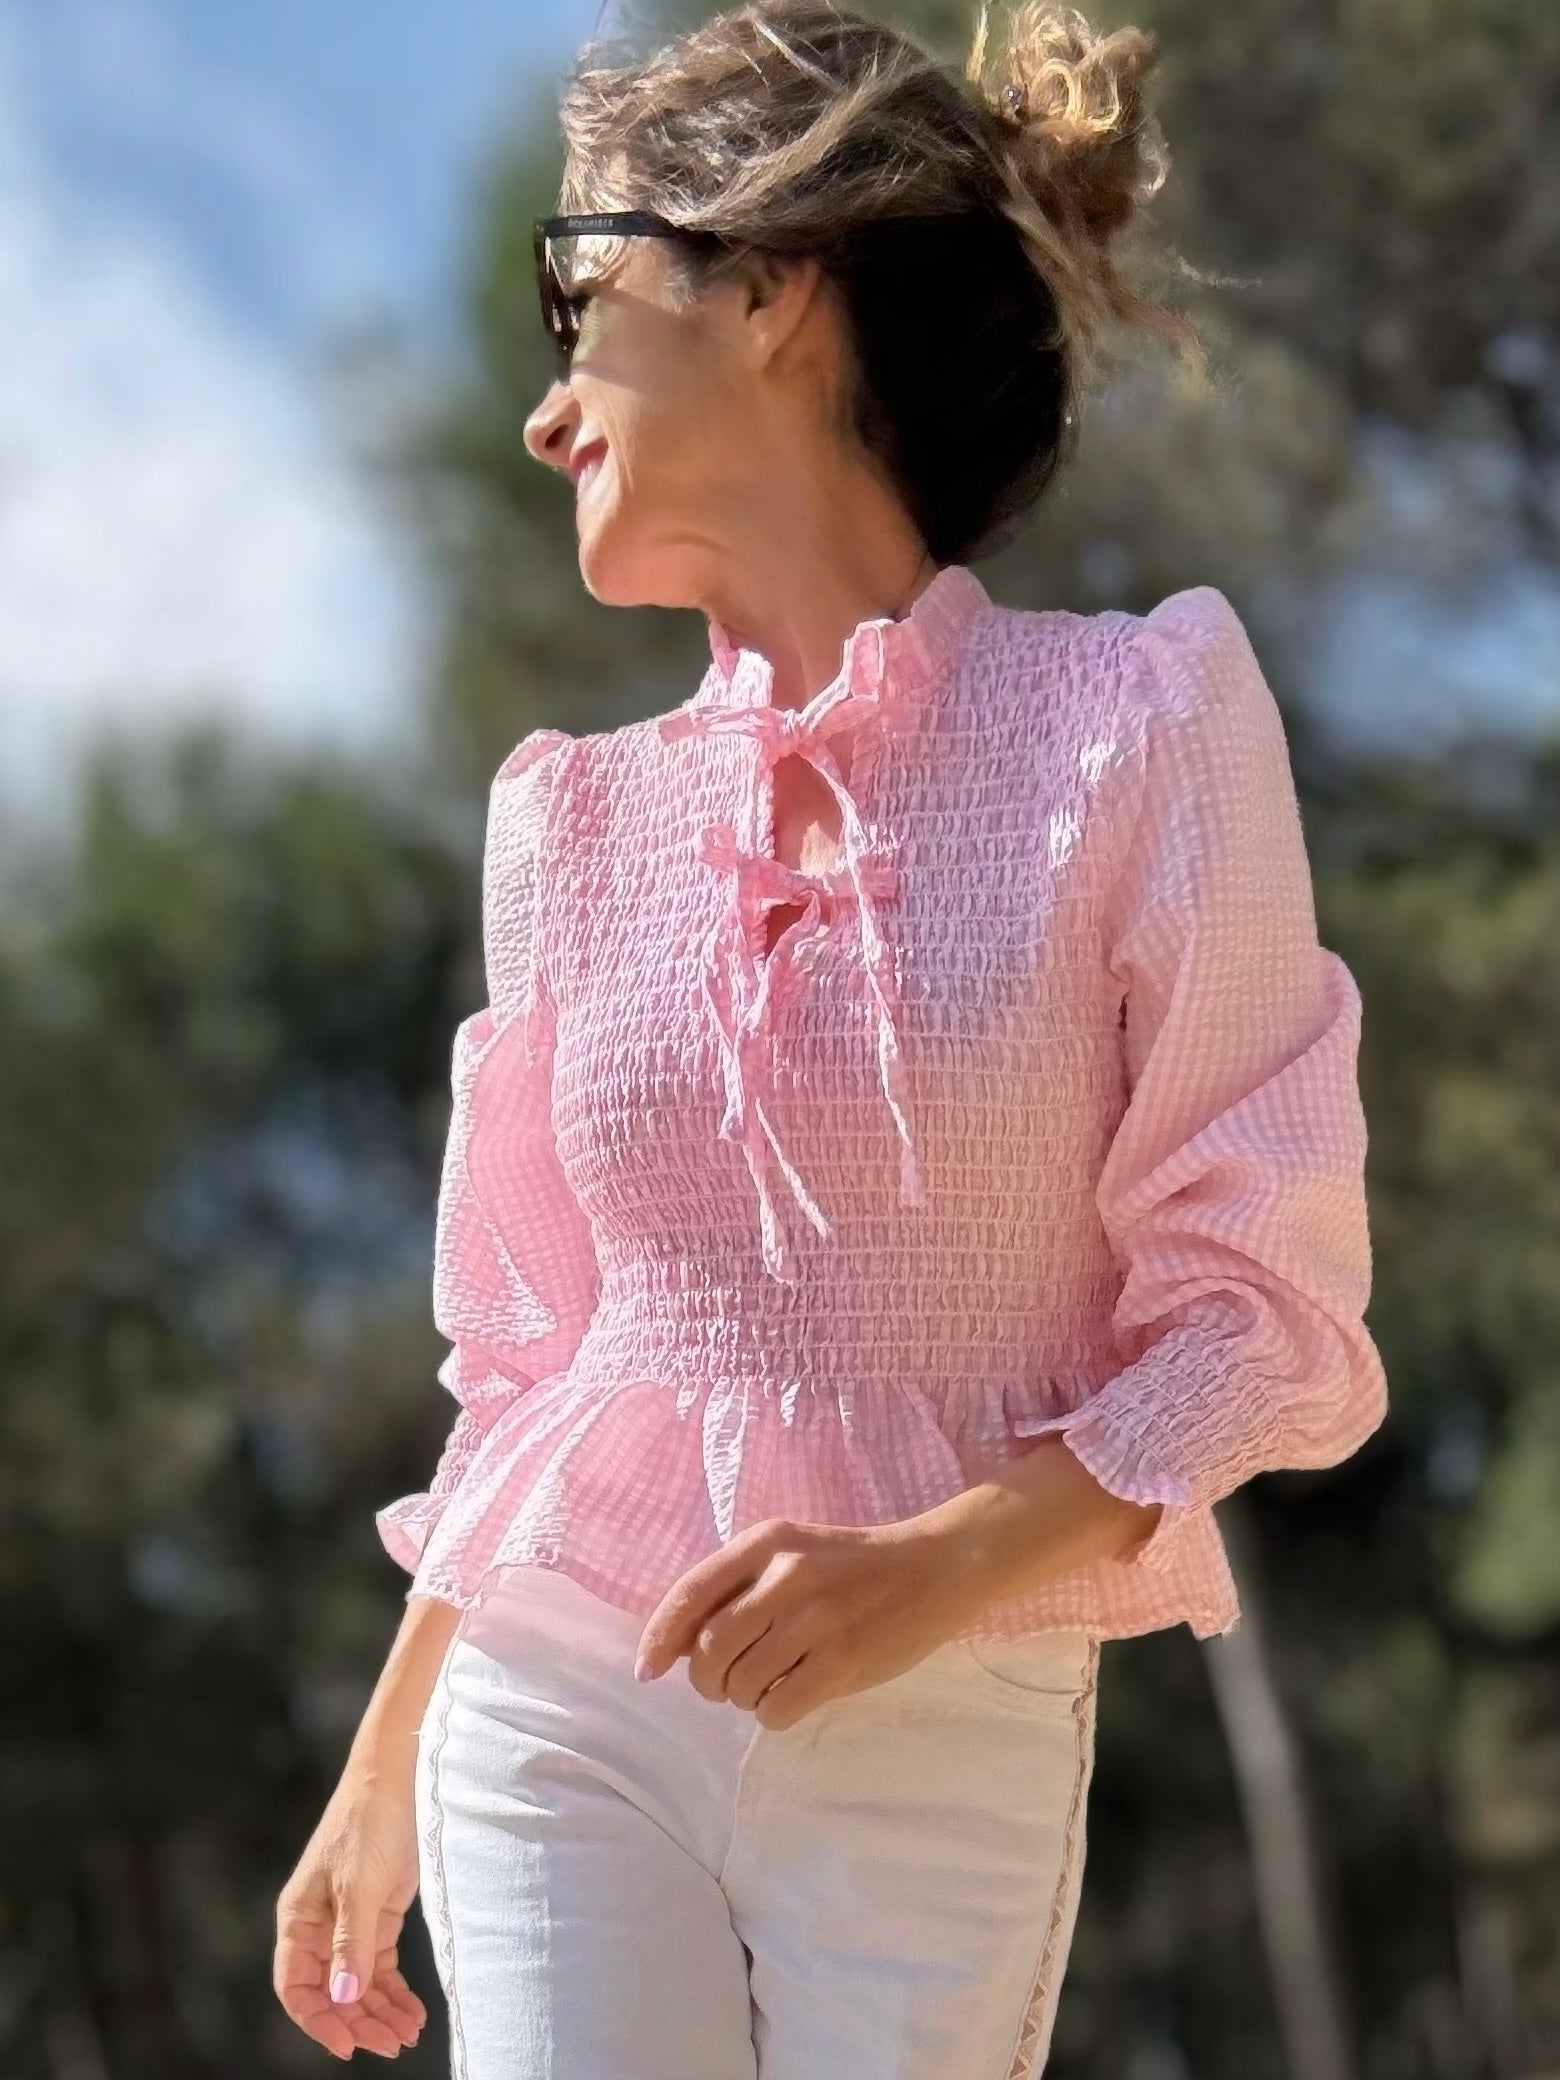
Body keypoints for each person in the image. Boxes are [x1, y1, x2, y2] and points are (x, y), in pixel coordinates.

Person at [274, 3, 1389, 2074]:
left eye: (577, 298)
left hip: (951, 1710)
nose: (543, 411)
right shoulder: (567, 826)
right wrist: (384, 1757)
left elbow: (1266, 1314)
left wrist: (941, 1568)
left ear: (772, 285)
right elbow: (530, 1362)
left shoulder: (1140, 724)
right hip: (557, 1705)